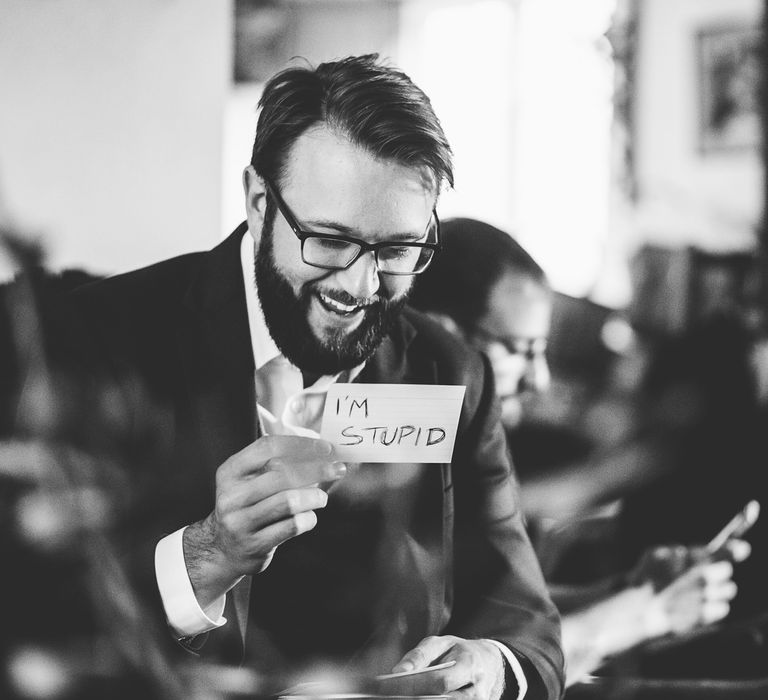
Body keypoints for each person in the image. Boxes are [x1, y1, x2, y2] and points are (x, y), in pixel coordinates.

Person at [69, 55, 564, 699]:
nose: (361, 287)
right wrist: (206, 556)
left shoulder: (450, 371)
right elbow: (32, 616)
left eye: (396, 250)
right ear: (257, 201)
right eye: (329, 240)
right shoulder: (97, 343)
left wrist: (491, 667)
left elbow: (526, 619)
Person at [410, 217, 748, 686]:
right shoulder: (398, 450)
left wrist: (626, 588)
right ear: (445, 335)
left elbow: (494, 610)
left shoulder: (456, 442)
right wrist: (648, 612)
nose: (540, 380)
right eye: (521, 350)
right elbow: (471, 665)